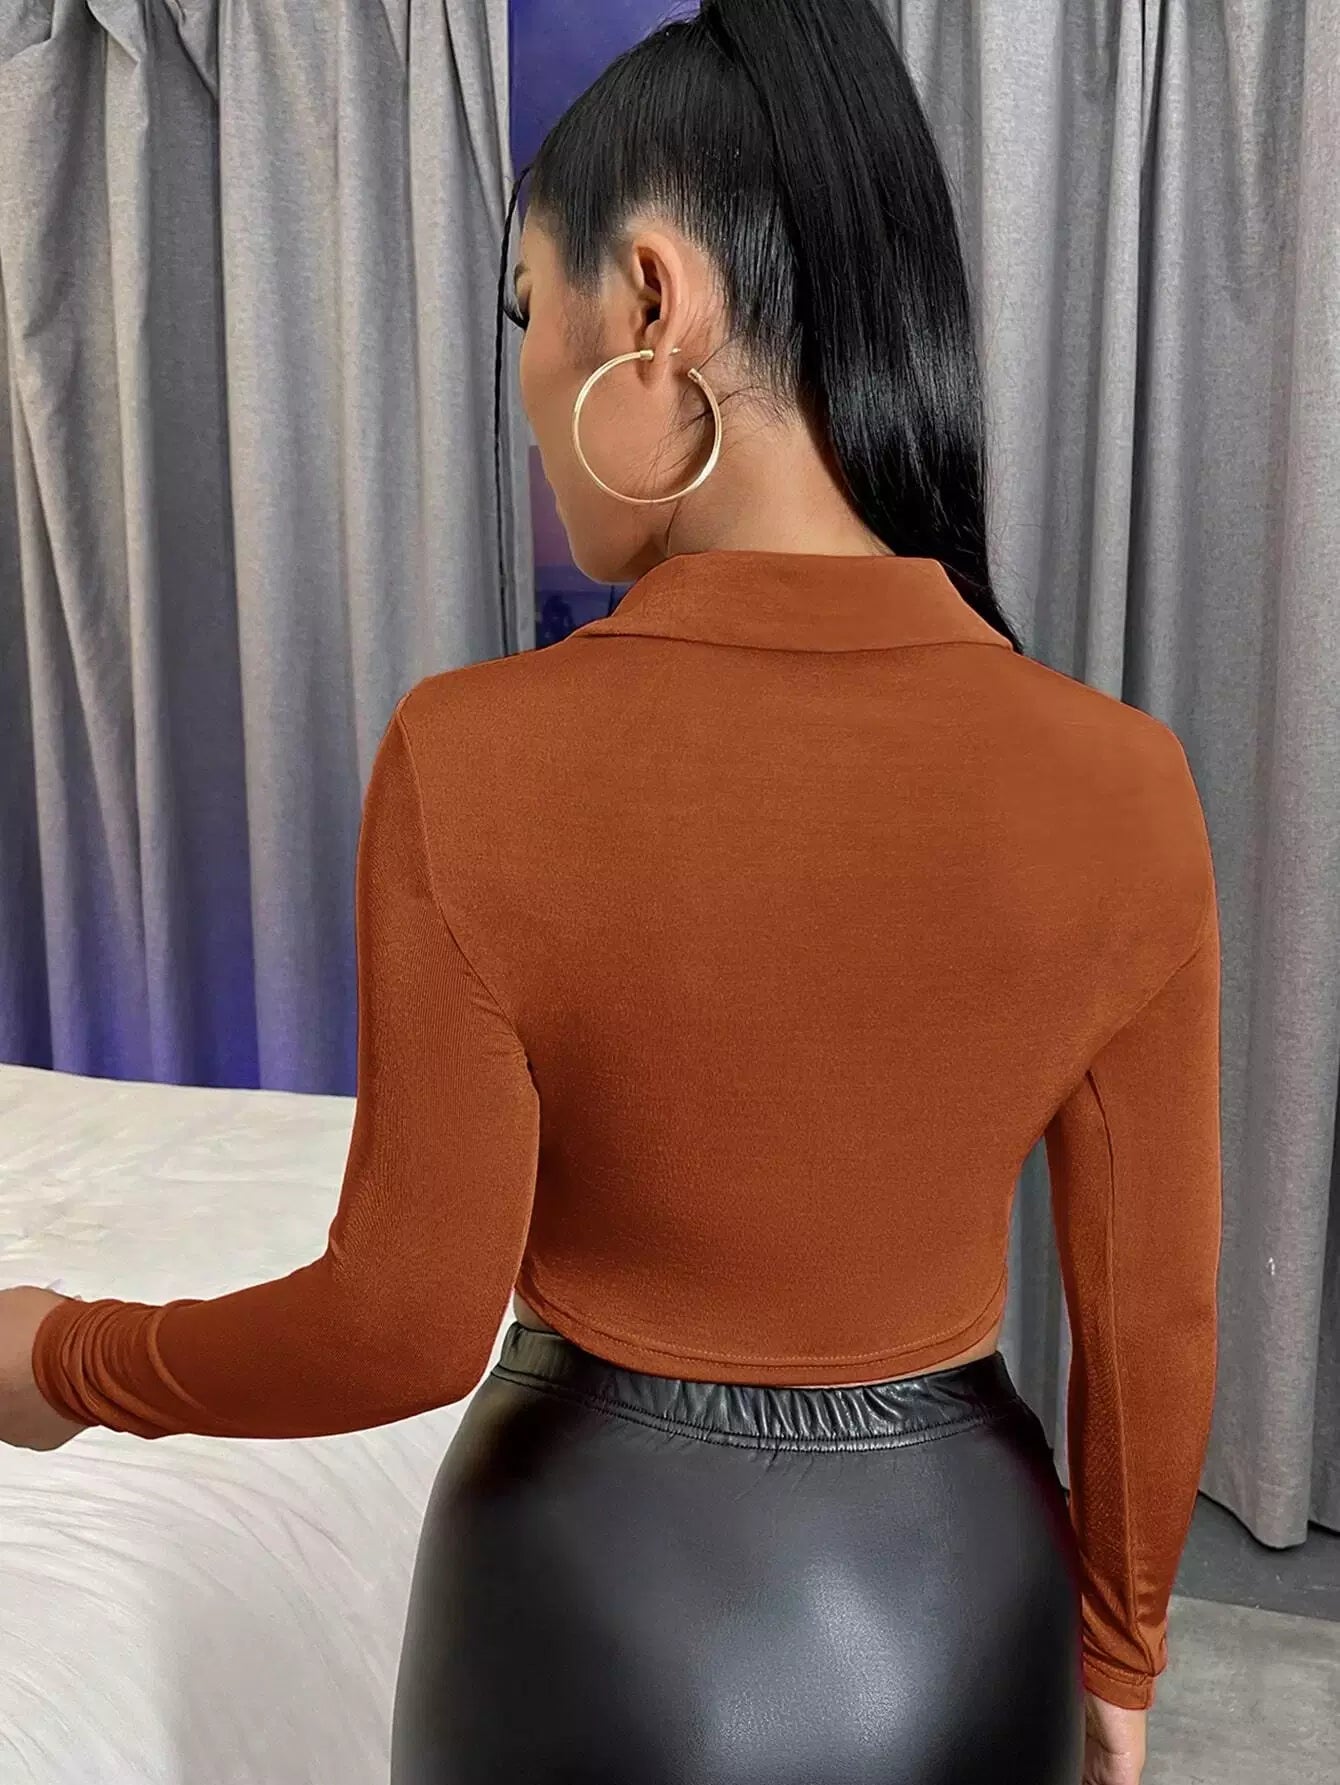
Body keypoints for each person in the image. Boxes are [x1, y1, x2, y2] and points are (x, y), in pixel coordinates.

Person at [0, 2, 1221, 1782]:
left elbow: (400, 1322)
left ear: (650, 302)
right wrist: (1116, 1639)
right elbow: (1152, 1314)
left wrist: (60, 1356)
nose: (519, 394)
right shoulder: (1125, 783)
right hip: (957, 1610)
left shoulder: (472, 752)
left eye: (525, 310)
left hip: (577, 1616)